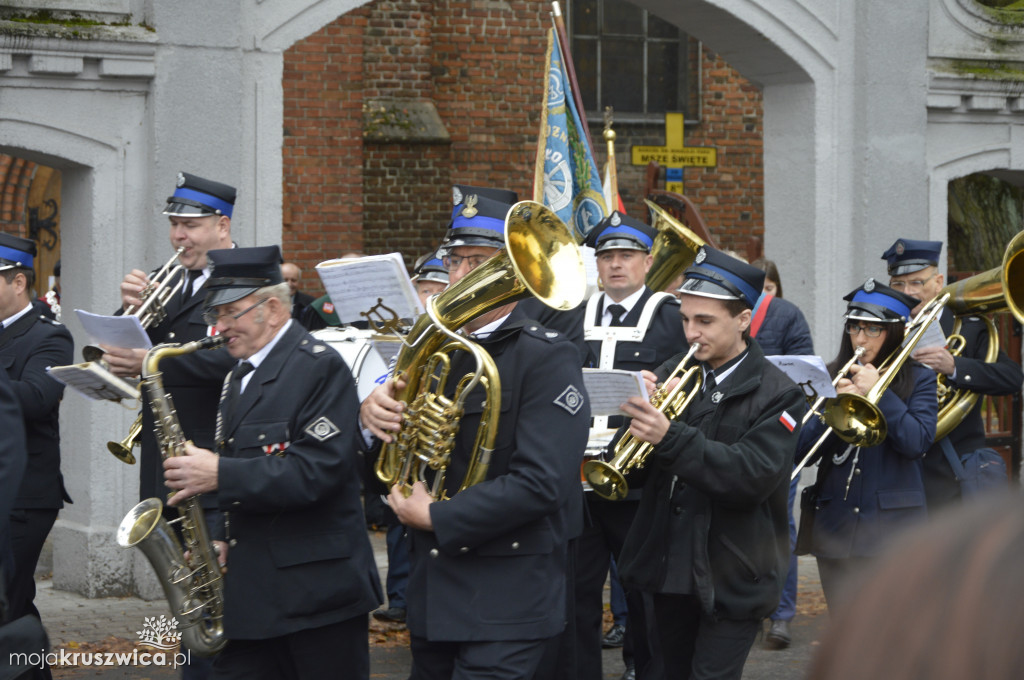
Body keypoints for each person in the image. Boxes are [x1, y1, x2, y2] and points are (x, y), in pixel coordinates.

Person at [360, 189, 590, 680]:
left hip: (505, 597)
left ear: (516, 271)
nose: (460, 274)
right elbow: (394, 465)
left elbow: (543, 483)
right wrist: (375, 420)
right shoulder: (437, 349)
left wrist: (438, 515)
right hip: (433, 593)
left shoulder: (547, 356)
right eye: (455, 260)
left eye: (478, 261)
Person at [161, 245, 382, 679]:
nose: (219, 326)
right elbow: (242, 462)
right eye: (215, 313)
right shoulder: (237, 376)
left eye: (230, 313)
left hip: (317, 597)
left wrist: (217, 474)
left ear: (274, 308)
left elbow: (315, 472)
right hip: (256, 592)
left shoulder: (319, 368)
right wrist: (220, 538)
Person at [616, 246, 805, 680]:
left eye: (704, 321)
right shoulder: (674, 372)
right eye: (685, 320)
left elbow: (751, 475)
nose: (690, 333)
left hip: (733, 574)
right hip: (669, 569)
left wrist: (669, 434)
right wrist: (632, 414)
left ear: (743, 320)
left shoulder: (780, 393)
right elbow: (634, 469)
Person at [575, 211, 682, 680]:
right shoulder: (573, 315)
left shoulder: (671, 317)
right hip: (578, 476)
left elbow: (688, 384)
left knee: (643, 590)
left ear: (647, 261)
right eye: (607, 256)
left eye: (627, 256)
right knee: (574, 589)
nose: (617, 264)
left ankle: (644, 669)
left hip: (639, 479)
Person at [103, 172, 238, 507]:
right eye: (175, 224)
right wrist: (127, 310)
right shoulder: (164, 279)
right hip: (159, 452)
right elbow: (123, 345)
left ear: (222, 226)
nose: (179, 236)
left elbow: (238, 359)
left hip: (212, 448)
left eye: (190, 226)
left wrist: (150, 363)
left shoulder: (245, 278)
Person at [800, 279, 936, 609]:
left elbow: (917, 442)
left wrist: (881, 393)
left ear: (893, 332)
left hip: (894, 532)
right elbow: (800, 452)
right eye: (855, 328)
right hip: (837, 526)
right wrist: (830, 408)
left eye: (873, 330)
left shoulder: (919, 378)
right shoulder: (831, 374)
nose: (861, 339)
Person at [807, 494, 1024, 680]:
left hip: (888, 523)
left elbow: (915, 446)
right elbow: (801, 450)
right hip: (837, 520)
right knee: (854, 631)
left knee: (893, 634)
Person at [881, 238, 1022, 510]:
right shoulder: (884, 328)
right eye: (898, 284)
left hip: (951, 471)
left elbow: (1012, 378)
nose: (907, 292)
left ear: (938, 281)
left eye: (917, 283)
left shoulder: (968, 327)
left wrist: (955, 367)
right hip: (896, 468)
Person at [0, 233, 74, 680]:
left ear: (18, 282)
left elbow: (36, 398)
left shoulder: (49, 336)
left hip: (25, 495)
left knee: (8, 601)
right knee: (15, 604)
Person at [749, 258, 814, 650]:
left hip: (776, 437)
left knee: (778, 529)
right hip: (737, 437)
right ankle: (751, 606)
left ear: (777, 289)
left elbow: (804, 372)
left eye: (768, 288)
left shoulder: (788, 317)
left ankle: (781, 615)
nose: (762, 295)